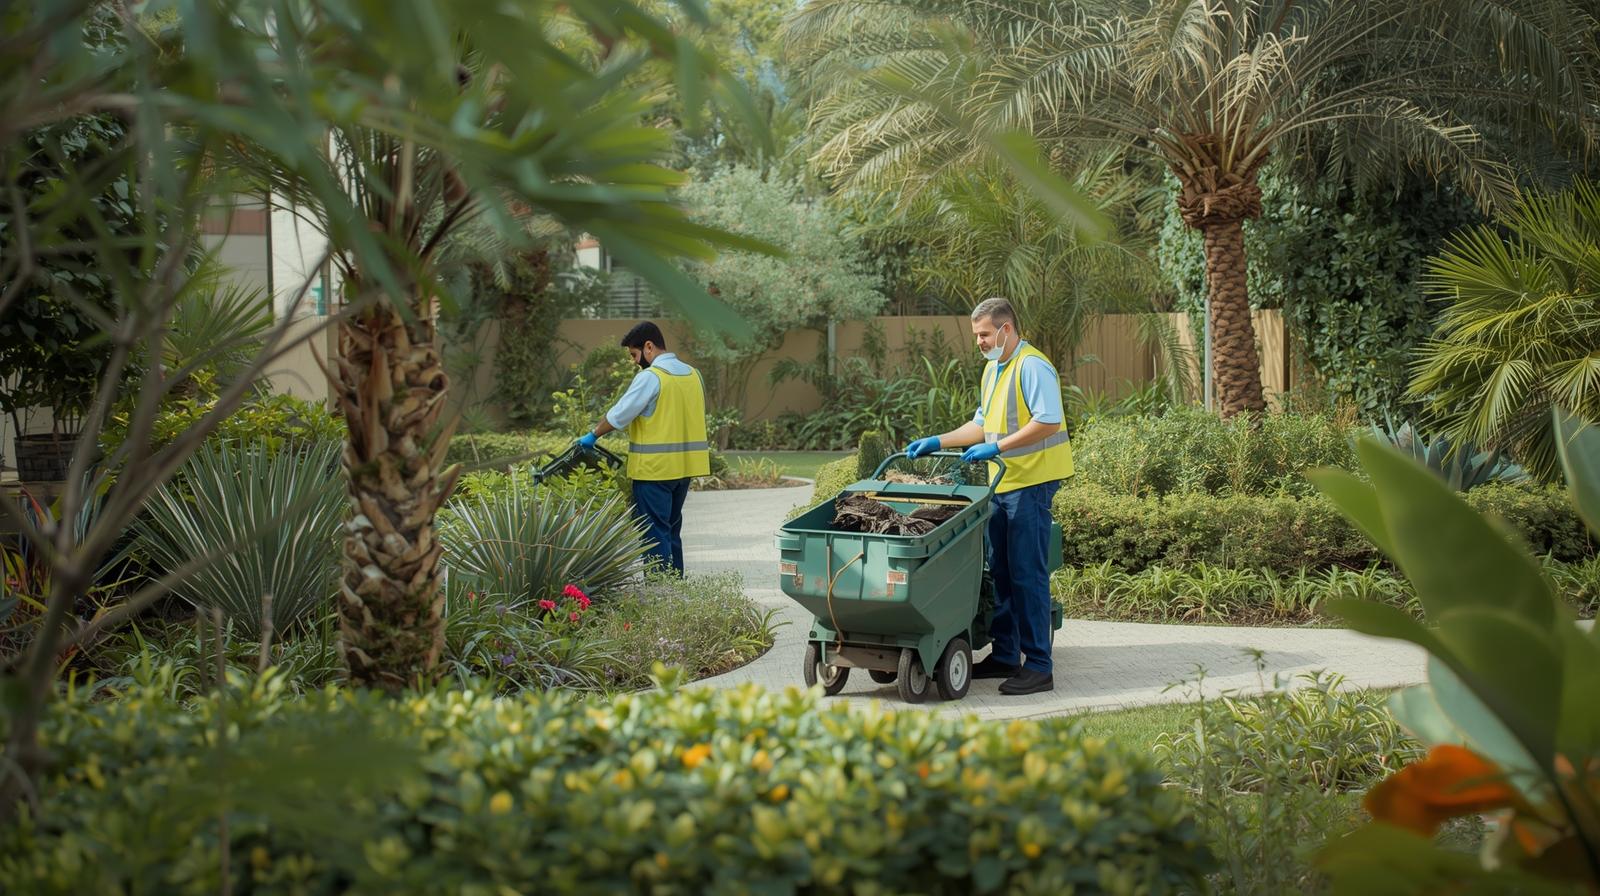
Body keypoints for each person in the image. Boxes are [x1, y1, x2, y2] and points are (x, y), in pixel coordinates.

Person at [903, 297, 1073, 695]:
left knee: (1027, 575)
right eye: (976, 334)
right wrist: (937, 441)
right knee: (1000, 571)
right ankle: (1005, 655)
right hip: (1001, 485)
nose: (978, 341)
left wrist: (997, 449)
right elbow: (982, 424)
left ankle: (1039, 667)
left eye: (983, 334)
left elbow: (1047, 420)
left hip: (1031, 485)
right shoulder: (994, 369)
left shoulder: (1032, 366)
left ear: (1006, 329)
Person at [578, 321, 709, 575]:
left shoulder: (651, 377)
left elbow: (619, 415)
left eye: (634, 355)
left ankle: (660, 595)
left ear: (649, 347)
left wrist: (592, 436)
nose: (635, 362)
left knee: (653, 532)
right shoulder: (694, 375)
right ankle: (675, 591)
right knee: (671, 530)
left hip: (654, 472)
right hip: (684, 471)